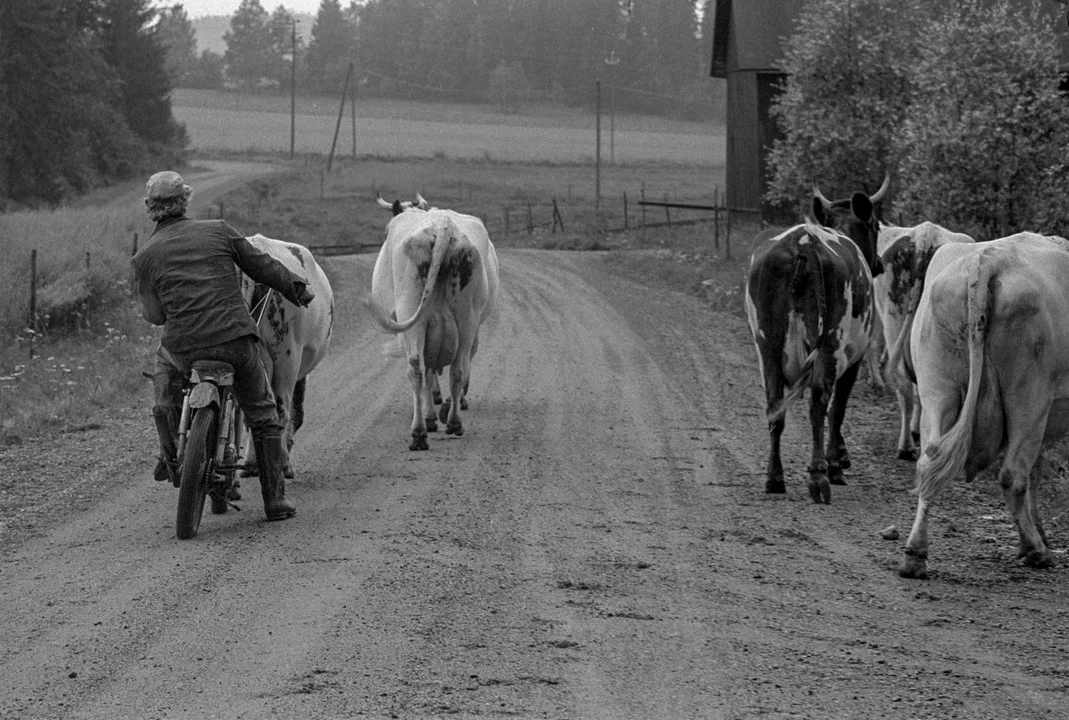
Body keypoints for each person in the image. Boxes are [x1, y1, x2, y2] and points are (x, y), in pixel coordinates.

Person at [131, 171, 314, 521]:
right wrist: (297, 289)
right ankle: (275, 501)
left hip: (183, 348)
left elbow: (154, 316)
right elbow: (263, 267)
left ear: (149, 209)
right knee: (262, 415)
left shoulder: (145, 257)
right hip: (235, 342)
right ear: (186, 201)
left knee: (163, 382)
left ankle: (169, 456)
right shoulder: (219, 230)